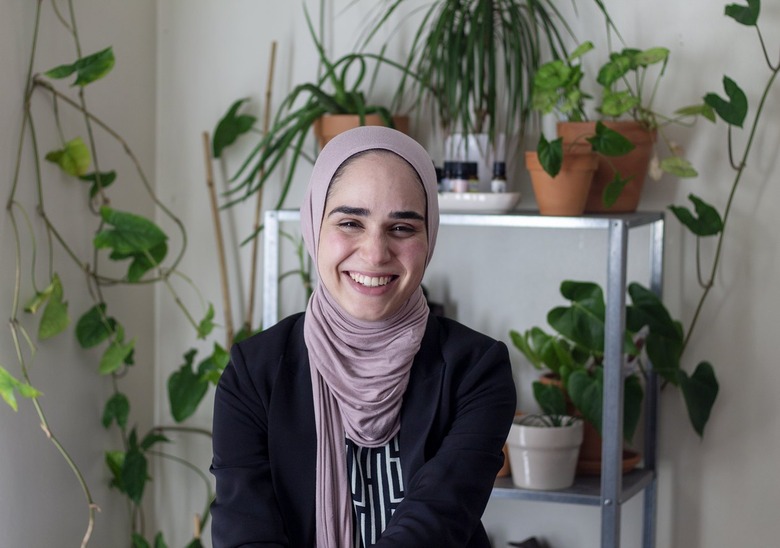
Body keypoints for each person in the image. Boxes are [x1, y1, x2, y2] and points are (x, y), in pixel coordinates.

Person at [210, 126, 517, 547]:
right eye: (351, 222)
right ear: (314, 225)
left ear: (429, 239)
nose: (375, 253)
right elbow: (246, 532)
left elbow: (437, 521)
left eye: (402, 228)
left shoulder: (476, 369)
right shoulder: (254, 372)